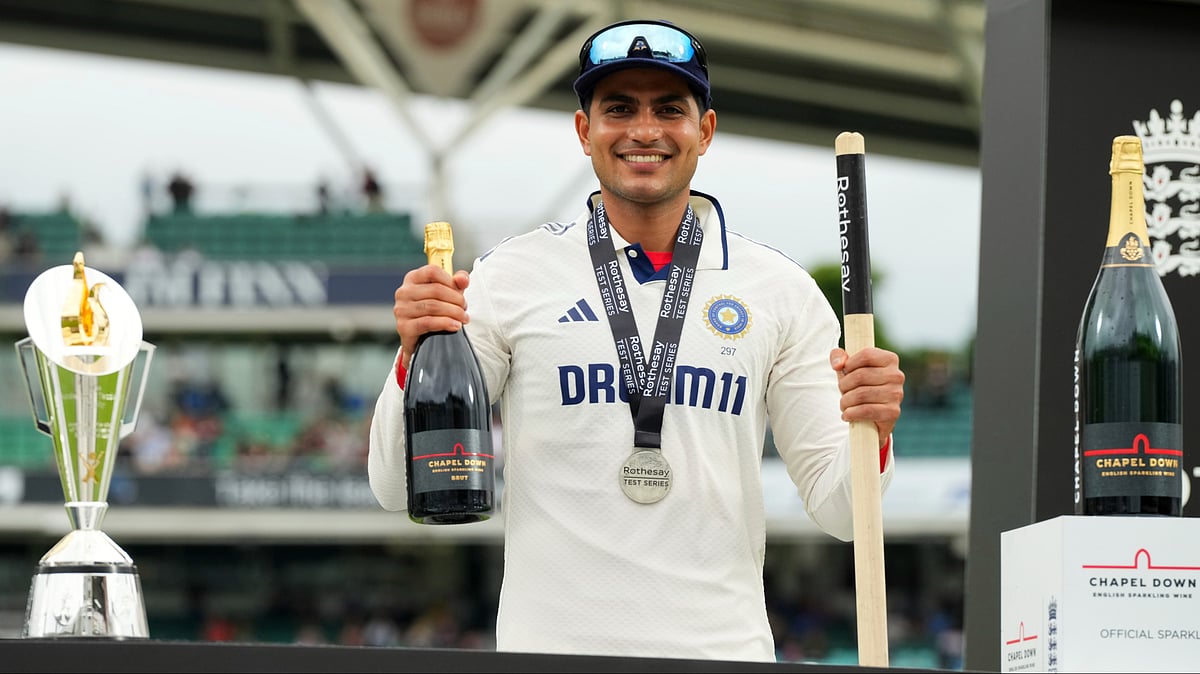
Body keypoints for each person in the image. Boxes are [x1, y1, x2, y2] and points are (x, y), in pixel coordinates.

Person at [367, 18, 905, 662]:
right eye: (619, 108)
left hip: (722, 656)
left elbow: (843, 512)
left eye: (669, 109)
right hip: (551, 658)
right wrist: (414, 354)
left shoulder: (780, 290)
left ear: (705, 130)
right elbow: (395, 486)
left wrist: (871, 427)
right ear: (584, 130)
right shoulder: (508, 277)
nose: (644, 131)